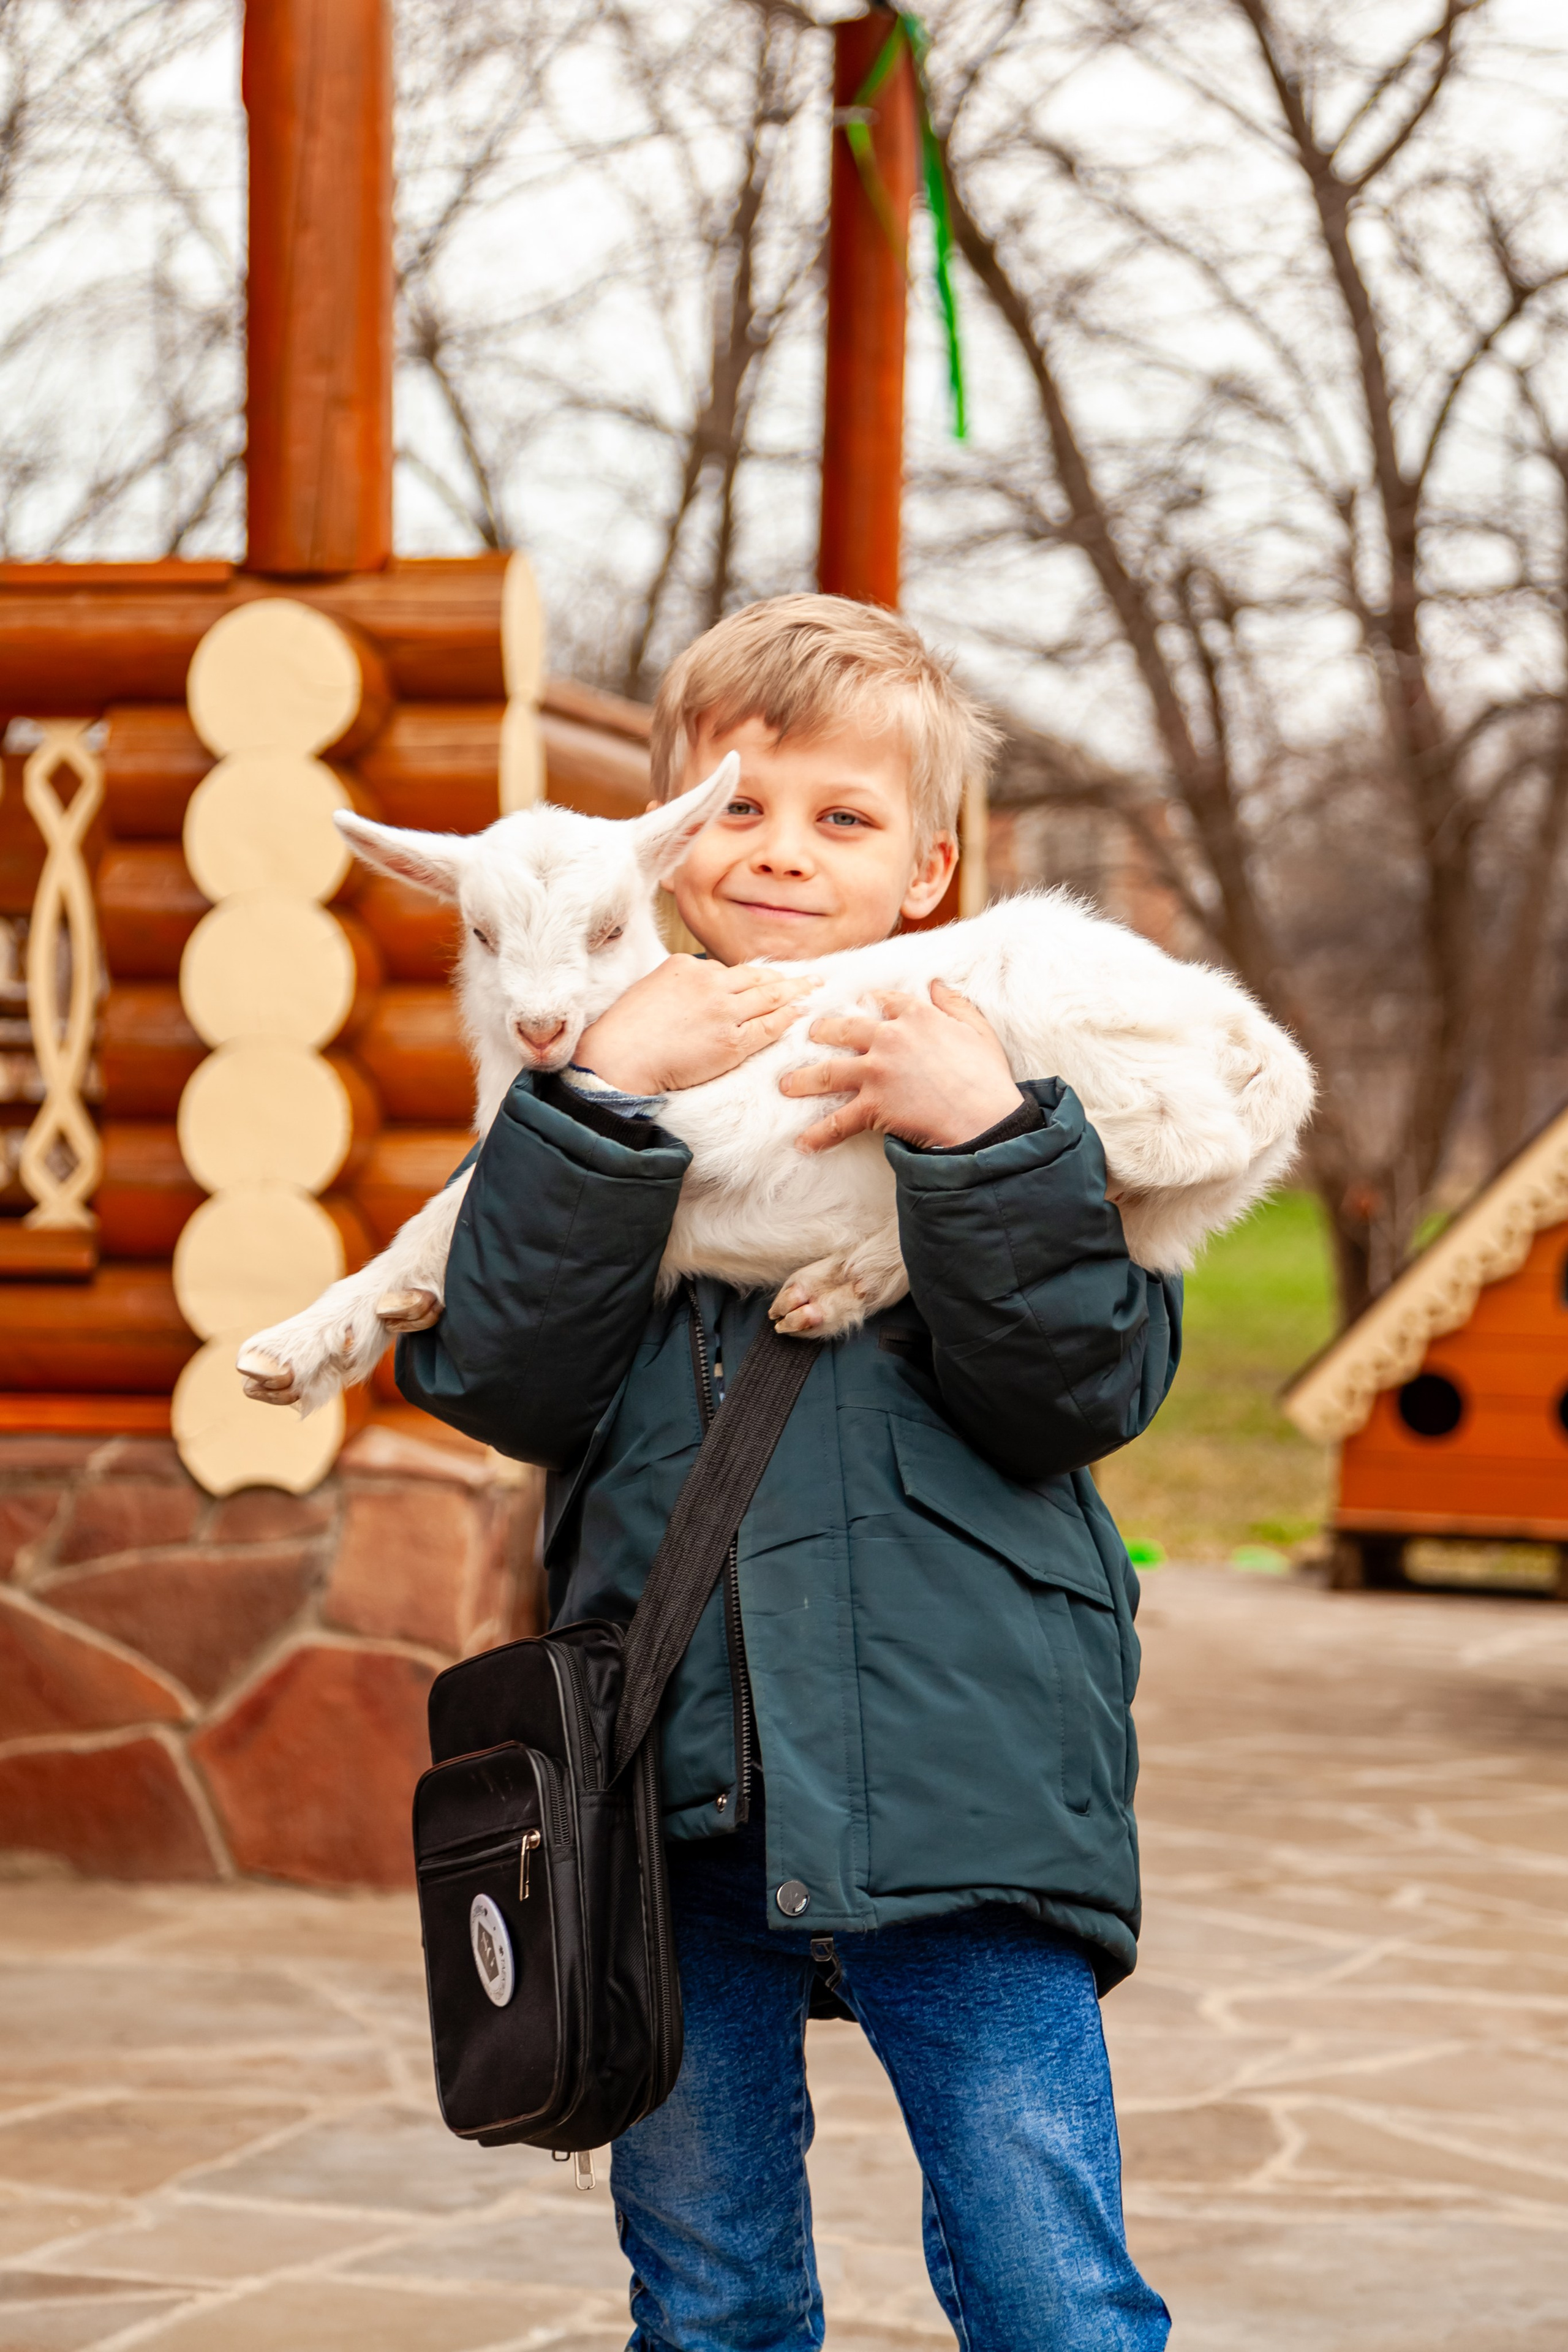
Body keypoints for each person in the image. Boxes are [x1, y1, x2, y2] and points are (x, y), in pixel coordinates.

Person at [399, 594, 1177, 2351]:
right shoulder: (592, 1072)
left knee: (1051, 2278)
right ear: (665, 830)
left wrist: (984, 1145)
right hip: (665, 1784)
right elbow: (502, 1374)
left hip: (969, 1774)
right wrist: (597, 1112)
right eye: (738, 806)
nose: (779, 853)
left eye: (842, 818)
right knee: (711, 2282)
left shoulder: (1018, 1072)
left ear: (928, 868)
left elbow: (1084, 1386)